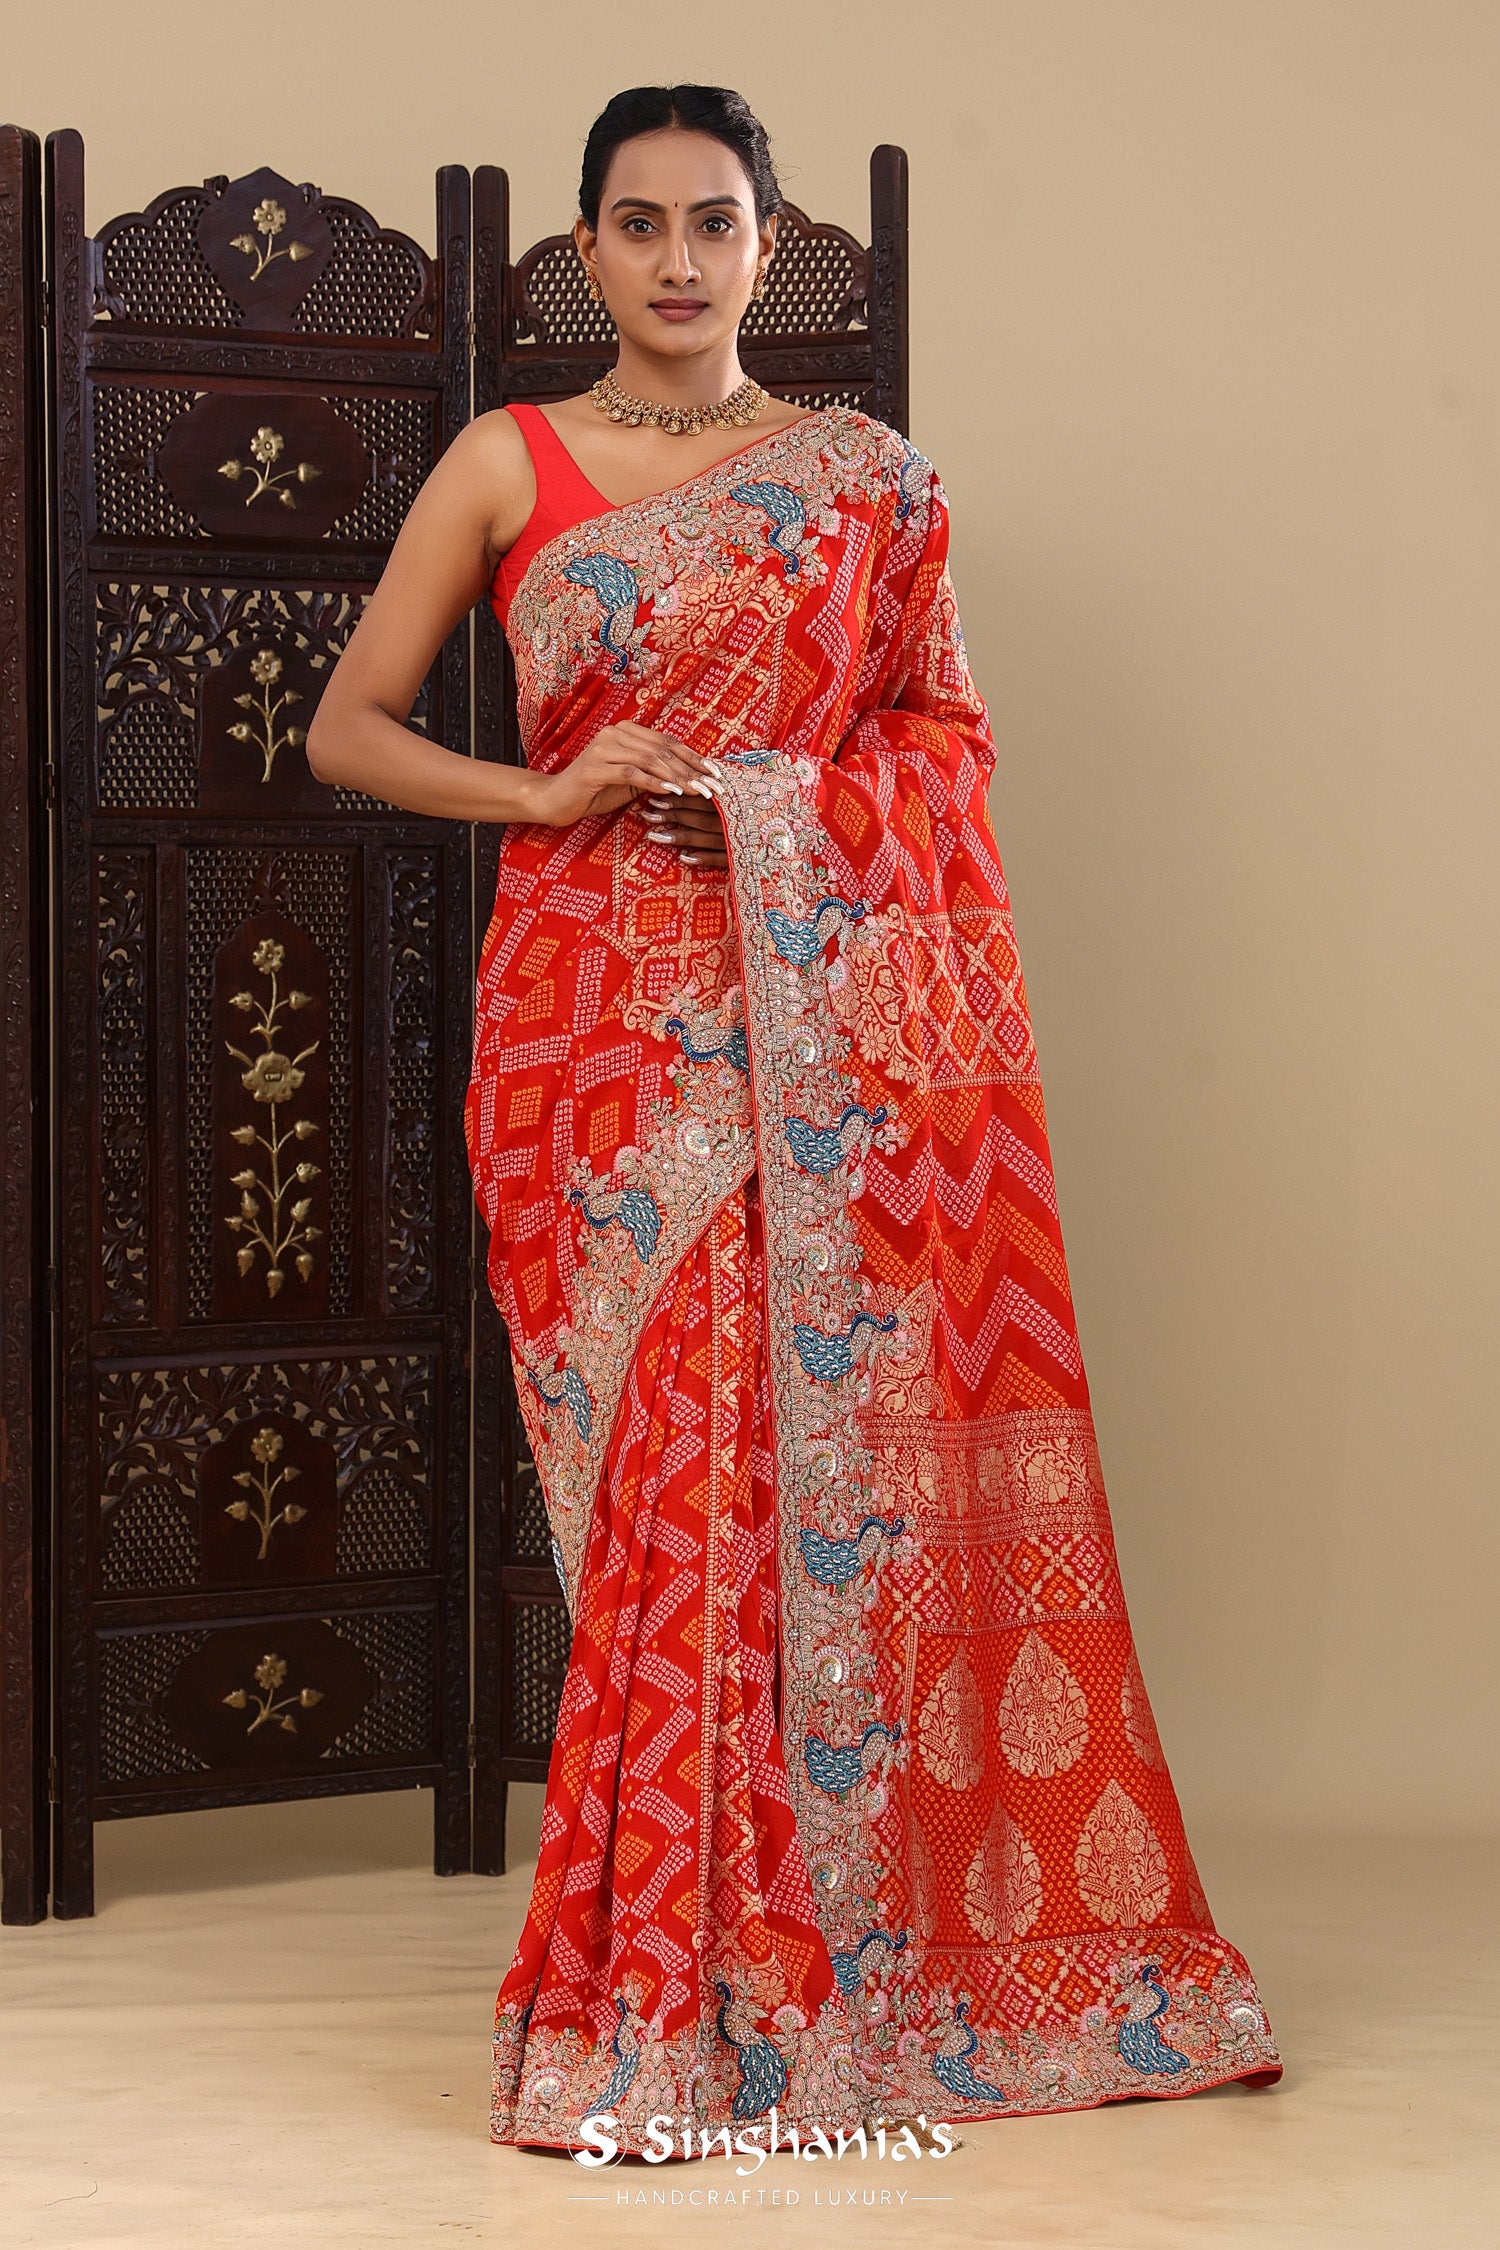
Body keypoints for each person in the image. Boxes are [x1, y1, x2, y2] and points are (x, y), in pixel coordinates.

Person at [308, 82, 1281, 2159]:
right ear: (583, 247)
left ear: (770, 243)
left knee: (772, 1477)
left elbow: (944, 743)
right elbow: (348, 729)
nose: (678, 259)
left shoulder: (867, 482)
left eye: (715, 222)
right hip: (586, 1035)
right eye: (638, 222)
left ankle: (773, 1966)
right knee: (660, 1487)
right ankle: (664, 1971)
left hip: (814, 1035)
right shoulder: (506, 460)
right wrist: (547, 791)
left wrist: (770, 802)